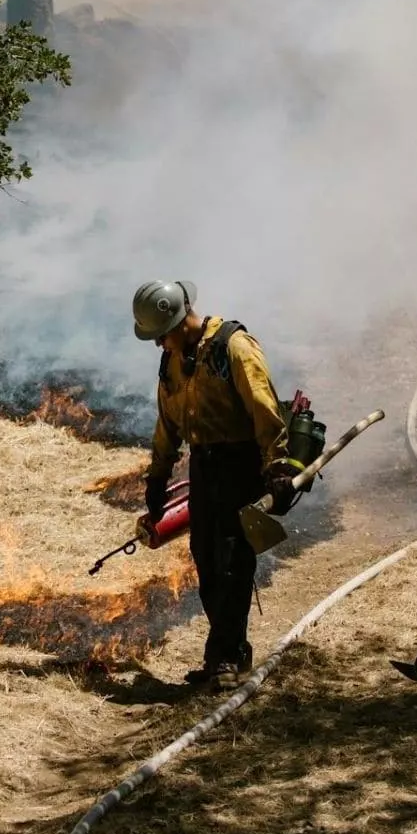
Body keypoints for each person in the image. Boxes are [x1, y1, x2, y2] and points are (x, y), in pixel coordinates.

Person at [134, 279, 298, 690]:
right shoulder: (172, 360)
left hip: (240, 465)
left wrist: (277, 466)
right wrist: (158, 476)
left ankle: (223, 656)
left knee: (231, 561)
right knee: (206, 559)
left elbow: (264, 410)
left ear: (180, 321)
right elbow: (168, 421)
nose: (159, 345)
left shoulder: (234, 348)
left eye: (161, 336)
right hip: (205, 466)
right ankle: (232, 650)